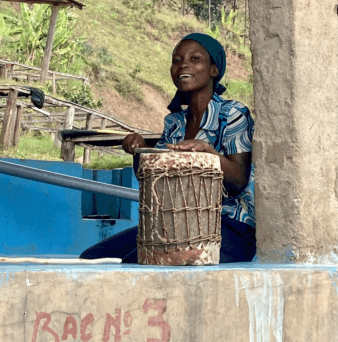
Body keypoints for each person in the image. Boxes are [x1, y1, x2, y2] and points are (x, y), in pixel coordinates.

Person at [80, 33, 255, 263]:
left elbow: (239, 180)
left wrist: (209, 155)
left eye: (195, 59)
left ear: (214, 69)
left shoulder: (232, 114)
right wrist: (139, 151)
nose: (183, 64)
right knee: (92, 258)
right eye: (176, 60)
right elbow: (156, 183)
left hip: (228, 226)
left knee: (134, 263)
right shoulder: (175, 123)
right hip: (174, 226)